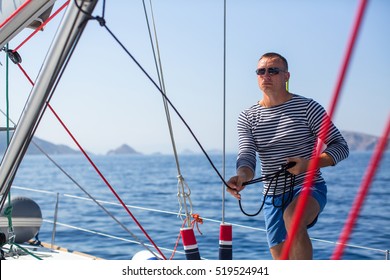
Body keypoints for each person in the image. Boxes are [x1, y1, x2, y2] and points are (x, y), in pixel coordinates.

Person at [226, 52, 349, 260]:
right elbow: (247, 156)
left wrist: (308, 165)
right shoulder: (247, 117)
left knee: (292, 218)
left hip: (308, 186)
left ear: (286, 76)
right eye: (261, 71)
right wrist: (242, 177)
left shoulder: (308, 108)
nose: (266, 75)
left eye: (273, 70)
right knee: (281, 260)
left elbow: (341, 146)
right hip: (272, 196)